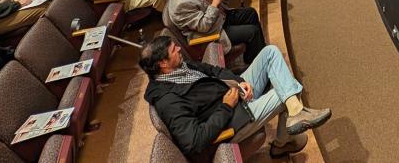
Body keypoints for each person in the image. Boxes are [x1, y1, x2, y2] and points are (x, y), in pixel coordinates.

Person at [140, 36, 330, 160]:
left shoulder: (179, 66)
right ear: (163, 63)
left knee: (270, 53)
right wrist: (226, 106)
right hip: (232, 119)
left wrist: (239, 82)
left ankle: (296, 113)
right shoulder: (168, 99)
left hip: (232, 94)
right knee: (285, 92)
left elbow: (213, 70)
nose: (179, 50)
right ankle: (282, 143)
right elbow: (194, 142)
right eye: (174, 50)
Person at [166, 0, 266, 64]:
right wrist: (214, 4)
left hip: (218, 18)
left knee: (250, 12)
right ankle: (257, 62)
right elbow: (204, 26)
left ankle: (255, 51)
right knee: (253, 32)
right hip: (212, 32)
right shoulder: (180, 5)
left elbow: (207, 0)